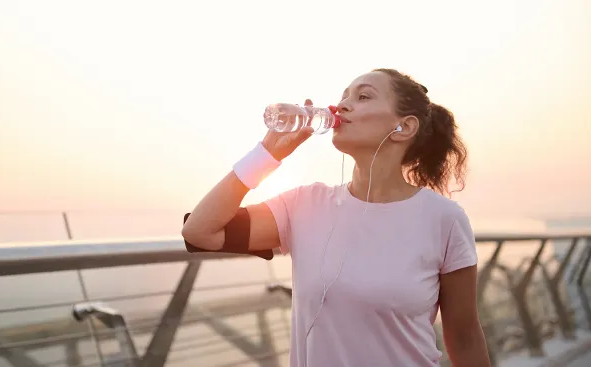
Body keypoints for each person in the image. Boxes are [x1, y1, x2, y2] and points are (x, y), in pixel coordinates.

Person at [182, 68, 491, 367]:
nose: (342, 105)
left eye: (363, 96)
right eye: (344, 95)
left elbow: (463, 336)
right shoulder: (305, 204)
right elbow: (200, 231)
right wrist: (267, 153)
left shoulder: (444, 219)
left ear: (404, 127)